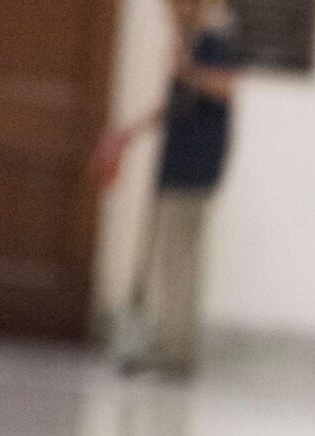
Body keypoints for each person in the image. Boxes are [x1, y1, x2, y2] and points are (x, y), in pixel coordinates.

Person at [97, 0, 241, 378]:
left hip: (195, 168)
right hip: (174, 165)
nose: (171, 14)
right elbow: (174, 104)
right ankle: (163, 341)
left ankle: (178, 350)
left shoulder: (213, 42)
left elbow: (224, 88)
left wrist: (188, 69)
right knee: (165, 258)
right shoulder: (189, 44)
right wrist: (132, 131)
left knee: (181, 259)